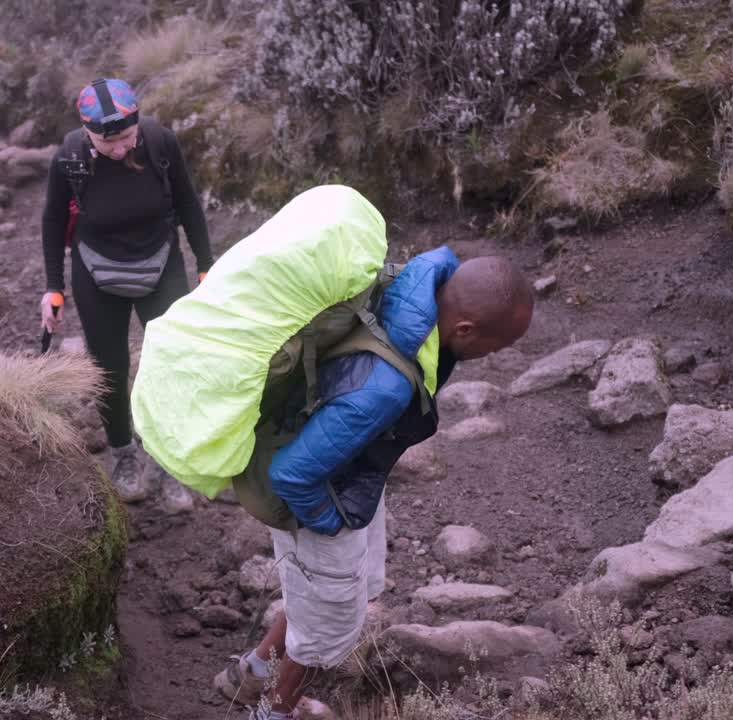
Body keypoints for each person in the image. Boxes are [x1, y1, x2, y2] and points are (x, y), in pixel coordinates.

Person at [212, 250, 534, 719]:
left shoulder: (416, 285)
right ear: (464, 330)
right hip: (316, 489)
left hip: (348, 469)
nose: (494, 356)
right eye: (496, 347)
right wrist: (328, 524)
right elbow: (293, 476)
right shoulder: (384, 388)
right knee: (328, 618)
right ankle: (274, 714)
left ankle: (253, 673)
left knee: (346, 588)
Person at [39, 78, 214, 512]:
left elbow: (189, 203)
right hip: (98, 273)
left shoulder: (159, 143)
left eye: (125, 138)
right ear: (88, 132)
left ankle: (170, 462)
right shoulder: (71, 158)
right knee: (110, 370)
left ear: (138, 125)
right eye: (107, 141)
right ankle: (123, 457)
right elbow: (51, 221)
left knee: (171, 365)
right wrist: (53, 288)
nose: (119, 148)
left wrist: (207, 265)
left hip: (161, 264)